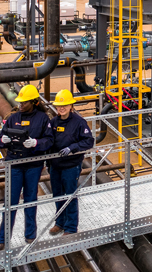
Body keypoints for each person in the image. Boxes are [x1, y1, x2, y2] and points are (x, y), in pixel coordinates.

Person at [0, 85, 53, 251]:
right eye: (19, 102)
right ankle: (3, 239)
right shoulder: (13, 118)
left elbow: (49, 140)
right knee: (10, 202)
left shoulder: (43, 119)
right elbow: (0, 139)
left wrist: (36, 143)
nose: (20, 105)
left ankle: (30, 235)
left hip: (33, 165)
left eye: (24, 102)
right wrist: (2, 141)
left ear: (33, 102)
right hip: (15, 165)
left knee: (30, 200)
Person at [48, 89, 94, 236]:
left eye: (65, 105)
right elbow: (47, 141)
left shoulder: (79, 122)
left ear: (70, 106)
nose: (62, 108)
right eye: (59, 106)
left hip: (71, 166)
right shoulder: (53, 122)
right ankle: (59, 223)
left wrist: (72, 148)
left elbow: (89, 141)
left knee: (70, 196)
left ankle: (70, 227)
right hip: (55, 166)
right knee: (57, 195)